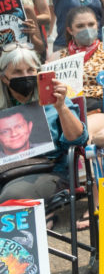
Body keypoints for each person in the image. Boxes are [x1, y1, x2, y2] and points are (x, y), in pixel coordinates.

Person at [0, 45, 87, 201]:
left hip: (50, 172)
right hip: (5, 173)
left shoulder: (54, 99)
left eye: (30, 70)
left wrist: (61, 107)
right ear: (4, 78)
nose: (25, 76)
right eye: (17, 72)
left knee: (12, 195)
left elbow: (78, 139)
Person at [54, 6, 104, 136]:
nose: (87, 29)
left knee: (84, 131)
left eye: (91, 24)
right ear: (70, 30)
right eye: (80, 26)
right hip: (67, 109)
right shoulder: (57, 57)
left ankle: (83, 154)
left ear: (97, 26)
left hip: (101, 109)